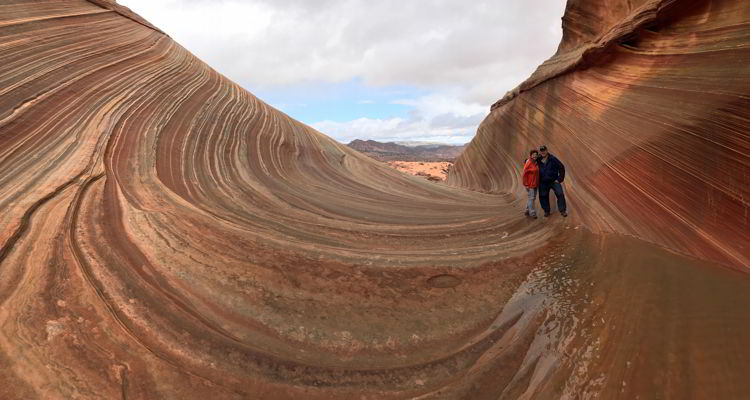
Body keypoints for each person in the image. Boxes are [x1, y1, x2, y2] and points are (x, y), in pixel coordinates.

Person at [537, 145, 567, 217]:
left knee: (560, 194)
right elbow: (530, 163)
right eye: (541, 151)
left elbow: (561, 167)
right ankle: (546, 211)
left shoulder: (553, 159)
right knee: (543, 196)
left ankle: (562, 210)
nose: (543, 152)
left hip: (554, 181)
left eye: (544, 150)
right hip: (543, 182)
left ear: (547, 150)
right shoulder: (538, 160)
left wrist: (559, 179)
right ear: (540, 152)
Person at [522, 149, 540, 219]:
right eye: (533, 155)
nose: (535, 156)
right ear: (531, 155)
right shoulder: (529, 163)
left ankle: (527, 210)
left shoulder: (536, 162)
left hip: (535, 183)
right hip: (530, 184)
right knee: (532, 198)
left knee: (532, 198)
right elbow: (524, 174)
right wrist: (526, 184)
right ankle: (532, 213)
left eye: (536, 155)